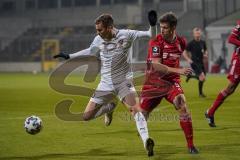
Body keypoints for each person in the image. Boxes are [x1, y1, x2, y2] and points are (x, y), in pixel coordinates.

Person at [53, 13, 156, 157]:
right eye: (97, 30)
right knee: (86, 116)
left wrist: (152, 24)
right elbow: (90, 51)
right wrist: (69, 56)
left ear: (109, 27)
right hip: (105, 83)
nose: (98, 33)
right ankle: (110, 107)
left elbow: (151, 34)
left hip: (124, 82)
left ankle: (146, 141)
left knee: (135, 111)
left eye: (100, 30)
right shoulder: (98, 39)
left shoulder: (127, 34)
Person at [140, 12, 199, 154]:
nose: (162, 30)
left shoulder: (181, 42)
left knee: (182, 105)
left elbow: (177, 55)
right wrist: (179, 70)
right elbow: (157, 66)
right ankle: (143, 132)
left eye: (165, 27)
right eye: (161, 27)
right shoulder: (156, 42)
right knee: (142, 115)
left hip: (171, 82)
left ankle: (191, 145)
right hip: (153, 82)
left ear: (173, 28)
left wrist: (177, 71)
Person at [205, 20, 240, 127]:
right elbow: (231, 39)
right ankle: (210, 112)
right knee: (230, 88)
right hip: (239, 61)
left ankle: (210, 112)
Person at [183, 27, 208, 97]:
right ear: (193, 34)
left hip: (201, 62)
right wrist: (188, 59)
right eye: (196, 33)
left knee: (203, 78)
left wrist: (206, 54)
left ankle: (190, 76)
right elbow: (184, 52)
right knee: (202, 77)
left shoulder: (203, 42)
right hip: (194, 63)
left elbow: (205, 50)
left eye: (199, 33)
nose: (198, 34)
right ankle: (200, 94)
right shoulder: (191, 43)